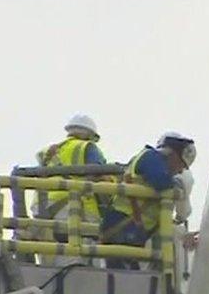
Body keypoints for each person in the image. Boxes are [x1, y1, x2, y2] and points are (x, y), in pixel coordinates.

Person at [101, 132, 196, 269]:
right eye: (182, 164)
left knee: (129, 277)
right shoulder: (151, 157)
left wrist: (182, 235)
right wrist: (177, 184)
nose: (181, 171)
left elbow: (159, 219)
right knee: (126, 278)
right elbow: (160, 181)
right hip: (123, 227)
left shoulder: (153, 161)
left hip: (127, 228)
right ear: (172, 155)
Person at [33, 114, 108, 266]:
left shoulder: (48, 151)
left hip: (43, 209)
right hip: (73, 210)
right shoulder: (87, 147)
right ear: (90, 135)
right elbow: (101, 174)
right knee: (80, 256)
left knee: (49, 253)